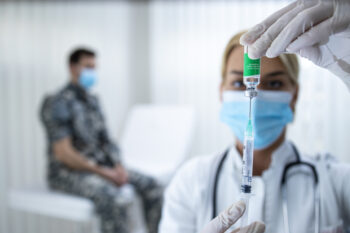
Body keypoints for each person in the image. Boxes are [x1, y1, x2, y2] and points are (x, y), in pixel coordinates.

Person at [159, 30, 350, 233]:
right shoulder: (192, 181)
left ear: (294, 95)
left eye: (274, 83)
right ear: (221, 93)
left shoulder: (334, 179)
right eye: (239, 83)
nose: (254, 98)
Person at [40, 48, 162, 233]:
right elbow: (64, 154)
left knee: (153, 186)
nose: (92, 72)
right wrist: (105, 173)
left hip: (102, 167)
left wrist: (118, 165)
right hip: (69, 172)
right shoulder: (56, 102)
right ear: (73, 67)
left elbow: (107, 141)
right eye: (87, 67)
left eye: (94, 68)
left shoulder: (93, 101)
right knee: (115, 200)